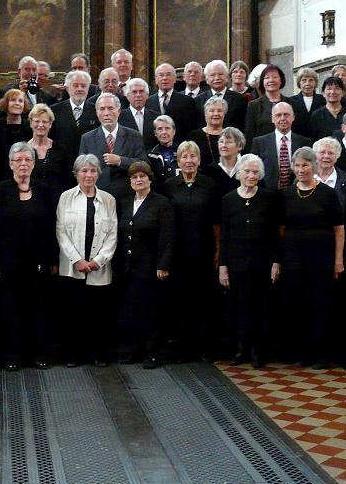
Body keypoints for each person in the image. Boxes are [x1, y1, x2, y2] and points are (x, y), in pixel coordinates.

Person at [0, 143, 58, 370]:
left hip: (38, 262)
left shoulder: (44, 190)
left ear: (34, 163)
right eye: (18, 160)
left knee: (38, 309)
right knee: (10, 310)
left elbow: (52, 228)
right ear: (10, 164)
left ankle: (37, 354)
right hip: (8, 263)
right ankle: (12, 356)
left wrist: (53, 259)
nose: (23, 164)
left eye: (28, 159)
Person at [279, 146, 345, 369]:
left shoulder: (327, 193)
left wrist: (338, 260)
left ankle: (322, 353)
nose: (301, 170)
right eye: (297, 166)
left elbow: (339, 228)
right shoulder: (287, 194)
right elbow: (281, 227)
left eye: (305, 165)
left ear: (313, 166)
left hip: (321, 258)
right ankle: (303, 351)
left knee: (320, 304)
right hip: (294, 258)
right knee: (298, 304)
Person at [56, 154, 119, 367]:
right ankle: (73, 355)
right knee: (73, 314)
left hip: (98, 268)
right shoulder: (65, 197)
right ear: (76, 174)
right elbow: (61, 231)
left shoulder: (109, 200)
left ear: (99, 174)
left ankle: (97, 354)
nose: (88, 175)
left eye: (93, 171)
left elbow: (113, 234)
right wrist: (77, 260)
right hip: (73, 267)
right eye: (84, 171)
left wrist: (98, 261)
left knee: (98, 315)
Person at [219, 153, 280, 368]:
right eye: (247, 171)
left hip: (262, 263)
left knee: (261, 307)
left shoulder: (268, 198)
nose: (251, 175)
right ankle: (240, 348)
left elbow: (274, 233)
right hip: (236, 264)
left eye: (255, 172)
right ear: (239, 173)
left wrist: (275, 262)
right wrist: (223, 266)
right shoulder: (228, 199)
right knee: (239, 306)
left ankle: (257, 351)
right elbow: (224, 235)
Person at [162, 141, 220, 361]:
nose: (188, 160)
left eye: (192, 156)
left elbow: (217, 222)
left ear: (199, 160)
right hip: (177, 253)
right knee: (180, 300)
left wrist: (218, 250)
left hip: (203, 251)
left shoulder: (210, 185)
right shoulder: (168, 186)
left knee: (203, 300)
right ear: (178, 161)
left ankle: (204, 348)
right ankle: (182, 348)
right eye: (184, 157)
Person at [116, 161, 174, 368]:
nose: (138, 180)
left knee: (151, 311)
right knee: (132, 310)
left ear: (150, 179)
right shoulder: (125, 202)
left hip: (151, 268)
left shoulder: (161, 203)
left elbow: (167, 237)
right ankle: (135, 350)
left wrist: (163, 265)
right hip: (128, 267)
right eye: (134, 177)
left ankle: (152, 353)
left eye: (142, 176)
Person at [78, 93, 147, 199]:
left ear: (119, 111)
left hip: (127, 196)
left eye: (110, 108)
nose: (106, 113)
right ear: (97, 113)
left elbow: (144, 164)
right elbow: (81, 170)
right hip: (97, 196)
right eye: (102, 109)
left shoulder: (134, 135)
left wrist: (120, 160)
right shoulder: (87, 138)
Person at [313, 136, 346, 267]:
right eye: (322, 152)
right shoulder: (304, 178)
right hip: (309, 243)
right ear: (315, 155)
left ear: (337, 156)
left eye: (331, 153)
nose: (326, 156)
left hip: (337, 245)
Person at [251, 102, 313, 190]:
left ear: (293, 117)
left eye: (286, 115)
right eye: (278, 115)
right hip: (268, 195)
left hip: (297, 194)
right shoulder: (259, 143)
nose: (283, 118)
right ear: (272, 119)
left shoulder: (305, 142)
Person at [243, 64, 306, 148]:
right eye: (267, 77)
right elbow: (249, 135)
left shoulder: (292, 104)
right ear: (262, 82)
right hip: (263, 152)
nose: (271, 80)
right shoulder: (254, 105)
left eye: (275, 77)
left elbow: (299, 131)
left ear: (281, 80)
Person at [51, 70, 100, 156]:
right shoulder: (54, 110)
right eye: (75, 85)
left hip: (89, 162)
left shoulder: (96, 110)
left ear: (88, 88)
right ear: (67, 88)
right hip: (61, 162)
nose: (80, 89)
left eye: (83, 86)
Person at [26, 103, 70, 193]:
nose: (41, 125)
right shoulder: (24, 150)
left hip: (56, 201)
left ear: (50, 124)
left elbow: (66, 178)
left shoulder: (60, 149)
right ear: (31, 123)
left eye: (44, 121)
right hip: (31, 199)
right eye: (37, 121)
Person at [148, 63, 198, 136]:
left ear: (175, 79)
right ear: (156, 80)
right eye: (161, 75)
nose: (165, 78)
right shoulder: (148, 101)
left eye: (168, 75)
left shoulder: (187, 101)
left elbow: (191, 129)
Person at [196, 60, 247, 130]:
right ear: (207, 79)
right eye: (212, 75)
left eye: (220, 74)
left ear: (227, 77)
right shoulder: (198, 100)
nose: (217, 78)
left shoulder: (240, 99)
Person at [187, 97, 228, 168]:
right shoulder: (193, 136)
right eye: (211, 111)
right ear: (205, 114)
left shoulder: (230, 135)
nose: (216, 114)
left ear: (224, 114)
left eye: (219, 111)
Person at [205, 126, 246, 196]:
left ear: (239, 146)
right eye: (221, 141)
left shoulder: (248, 167)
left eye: (229, 142)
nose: (223, 145)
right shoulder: (210, 170)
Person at [119, 78, 158, 150]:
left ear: (147, 95)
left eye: (141, 91)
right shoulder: (119, 117)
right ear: (127, 96)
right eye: (134, 92)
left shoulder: (156, 117)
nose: (138, 95)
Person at [146, 115, 179, 182]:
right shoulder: (149, 155)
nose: (164, 132)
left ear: (174, 131)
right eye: (160, 129)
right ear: (155, 133)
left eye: (167, 128)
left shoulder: (183, 151)